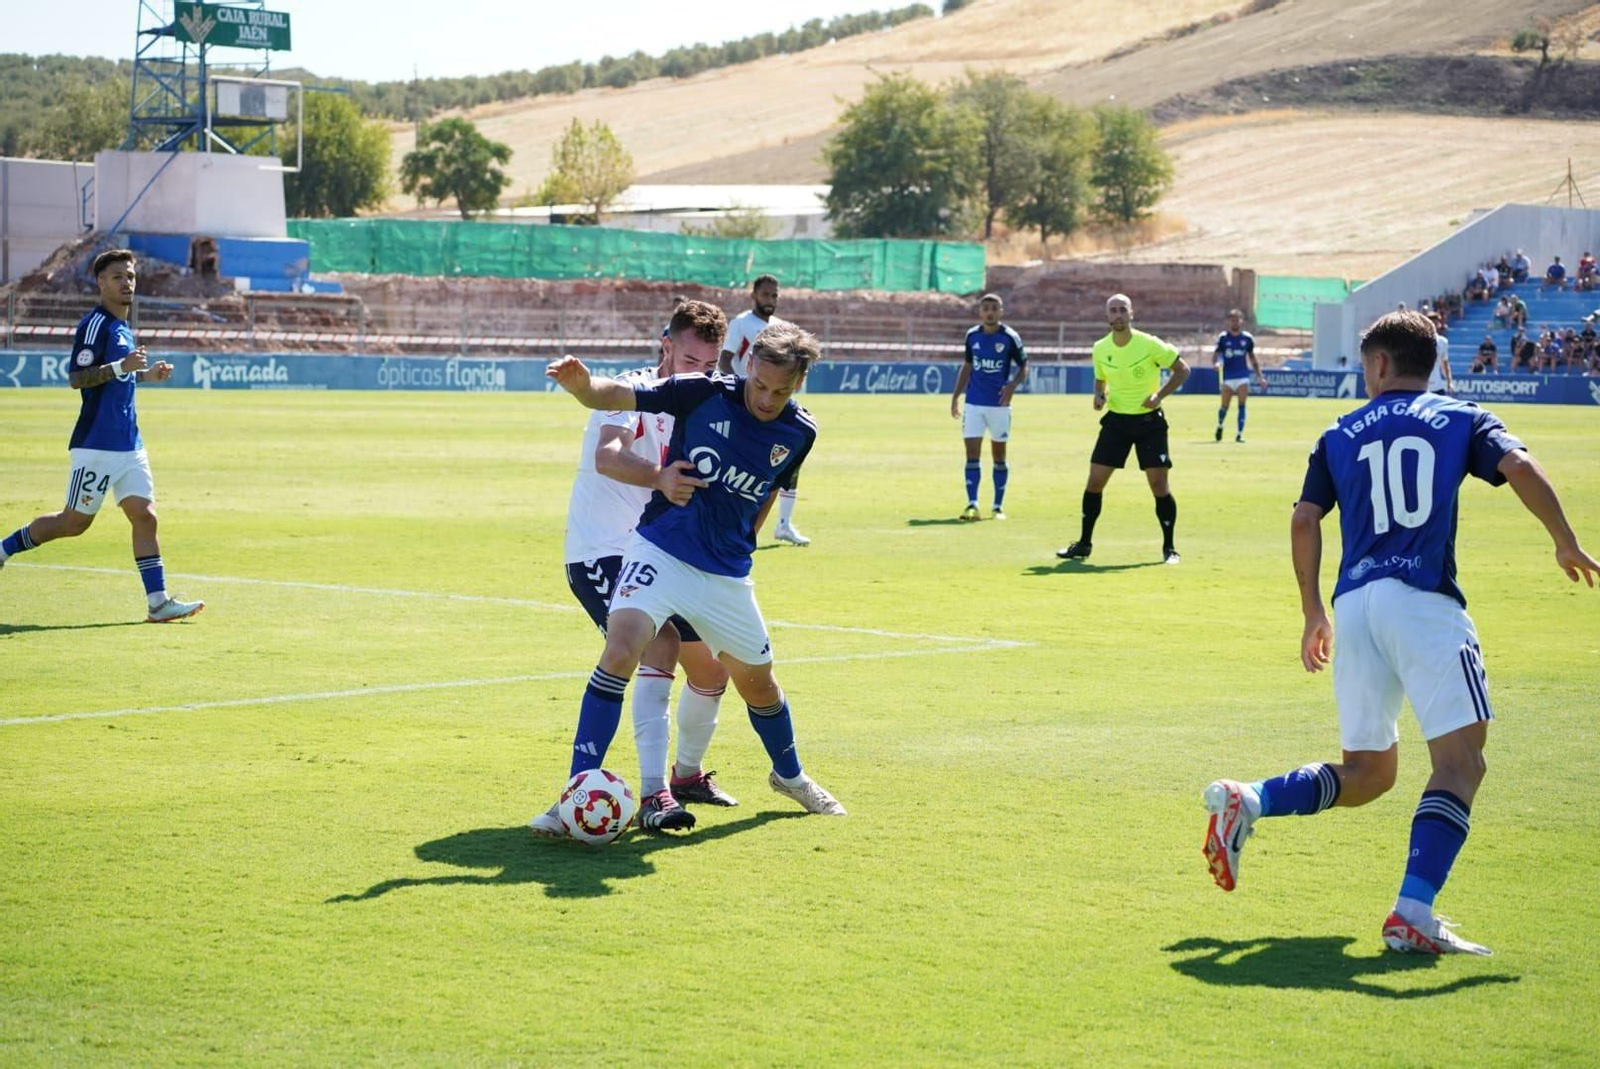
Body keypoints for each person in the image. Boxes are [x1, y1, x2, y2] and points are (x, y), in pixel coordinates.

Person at [1201, 310, 1599, 955]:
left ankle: (1250, 799)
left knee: (1369, 773)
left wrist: (1312, 612)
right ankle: (1413, 911)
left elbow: (1305, 520)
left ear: (1381, 365)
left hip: (1355, 607)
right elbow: (1520, 466)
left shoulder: (1339, 430)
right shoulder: (1462, 414)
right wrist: (1566, 542)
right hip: (1423, 603)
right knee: (1460, 763)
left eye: (1365, 366)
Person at [537, 321, 845, 829]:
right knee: (623, 647)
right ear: (747, 366)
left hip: (725, 574)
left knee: (760, 687)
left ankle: (789, 776)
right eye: (760, 384)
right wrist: (584, 389)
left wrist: (745, 541)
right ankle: (572, 794)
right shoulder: (700, 391)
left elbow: (769, 487)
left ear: (799, 384)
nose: (767, 399)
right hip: (660, 548)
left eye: (781, 391)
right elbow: (620, 394)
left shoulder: (801, 432)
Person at [534, 300, 739, 837]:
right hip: (600, 551)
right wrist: (660, 478)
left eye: (711, 365)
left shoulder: (708, 403)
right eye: (692, 360)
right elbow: (609, 455)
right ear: (666, 345)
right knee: (656, 645)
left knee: (714, 670)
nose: (703, 374)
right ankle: (621, 793)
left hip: (664, 556)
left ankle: (687, 776)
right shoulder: (633, 389)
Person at [0, 249, 203, 623]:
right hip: (96, 444)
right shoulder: (95, 325)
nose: (126, 283)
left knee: (145, 516)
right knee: (73, 523)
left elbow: (118, 377)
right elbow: (78, 378)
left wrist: (145, 375)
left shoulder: (124, 328)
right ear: (100, 283)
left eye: (129, 276)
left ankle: (157, 604)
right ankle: (3, 549)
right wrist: (120, 365)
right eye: (117, 277)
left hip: (130, 444)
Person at [1057, 293, 1189, 565]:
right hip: (1116, 422)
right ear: (1107, 316)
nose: (1117, 315)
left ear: (1131, 314)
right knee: (1094, 482)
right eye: (1112, 310)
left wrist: (1159, 395)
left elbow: (1182, 370)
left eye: (1122, 310)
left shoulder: (1149, 344)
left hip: (1149, 423)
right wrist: (1098, 395)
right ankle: (1084, 544)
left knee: (1159, 485)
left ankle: (1169, 548)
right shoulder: (1100, 348)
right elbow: (1100, 377)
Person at [719, 275, 808, 546]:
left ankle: (783, 524)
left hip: (774, 407)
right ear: (754, 296)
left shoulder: (783, 328)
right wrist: (738, 393)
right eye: (766, 295)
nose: (771, 300)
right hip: (745, 407)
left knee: (786, 465)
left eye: (775, 295)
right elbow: (724, 361)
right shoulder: (741, 323)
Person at [949, 293, 1027, 520]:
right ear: (980, 312)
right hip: (973, 404)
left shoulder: (1010, 337)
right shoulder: (972, 336)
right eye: (986, 308)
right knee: (971, 456)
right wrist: (955, 397)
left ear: (1001, 311)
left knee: (999, 457)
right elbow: (967, 366)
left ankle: (997, 506)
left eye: (994, 308)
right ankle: (972, 504)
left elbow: (1024, 366)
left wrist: (1013, 385)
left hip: (999, 405)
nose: (990, 312)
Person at [1211, 308, 1266, 443]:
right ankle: (1220, 425)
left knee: (1242, 405)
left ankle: (1239, 434)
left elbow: (1253, 358)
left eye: (1237, 319)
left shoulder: (1247, 338)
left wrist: (1260, 376)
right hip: (1228, 377)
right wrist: (1216, 363)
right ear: (1229, 322)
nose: (1235, 322)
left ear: (1241, 321)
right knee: (1224, 406)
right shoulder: (1223, 338)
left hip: (1242, 376)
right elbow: (1216, 354)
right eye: (1232, 320)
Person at [1427, 318, 1454, 395]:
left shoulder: (1443, 342)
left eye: (1435, 323)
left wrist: (1449, 382)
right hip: (1422, 387)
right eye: (1431, 323)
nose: (1434, 326)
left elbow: (1445, 364)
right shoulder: (1419, 341)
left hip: (1437, 386)